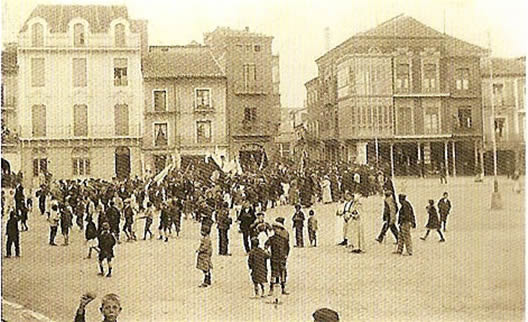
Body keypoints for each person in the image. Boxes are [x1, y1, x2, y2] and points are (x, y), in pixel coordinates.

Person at [265, 217, 290, 297]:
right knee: (273, 274)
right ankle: (271, 289)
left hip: (282, 259)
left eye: (278, 229)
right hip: (274, 258)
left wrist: (286, 255)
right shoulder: (271, 239)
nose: (277, 230)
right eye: (275, 229)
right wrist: (267, 252)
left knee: (283, 273)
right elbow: (266, 245)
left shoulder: (284, 239)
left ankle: (283, 288)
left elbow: (287, 248)